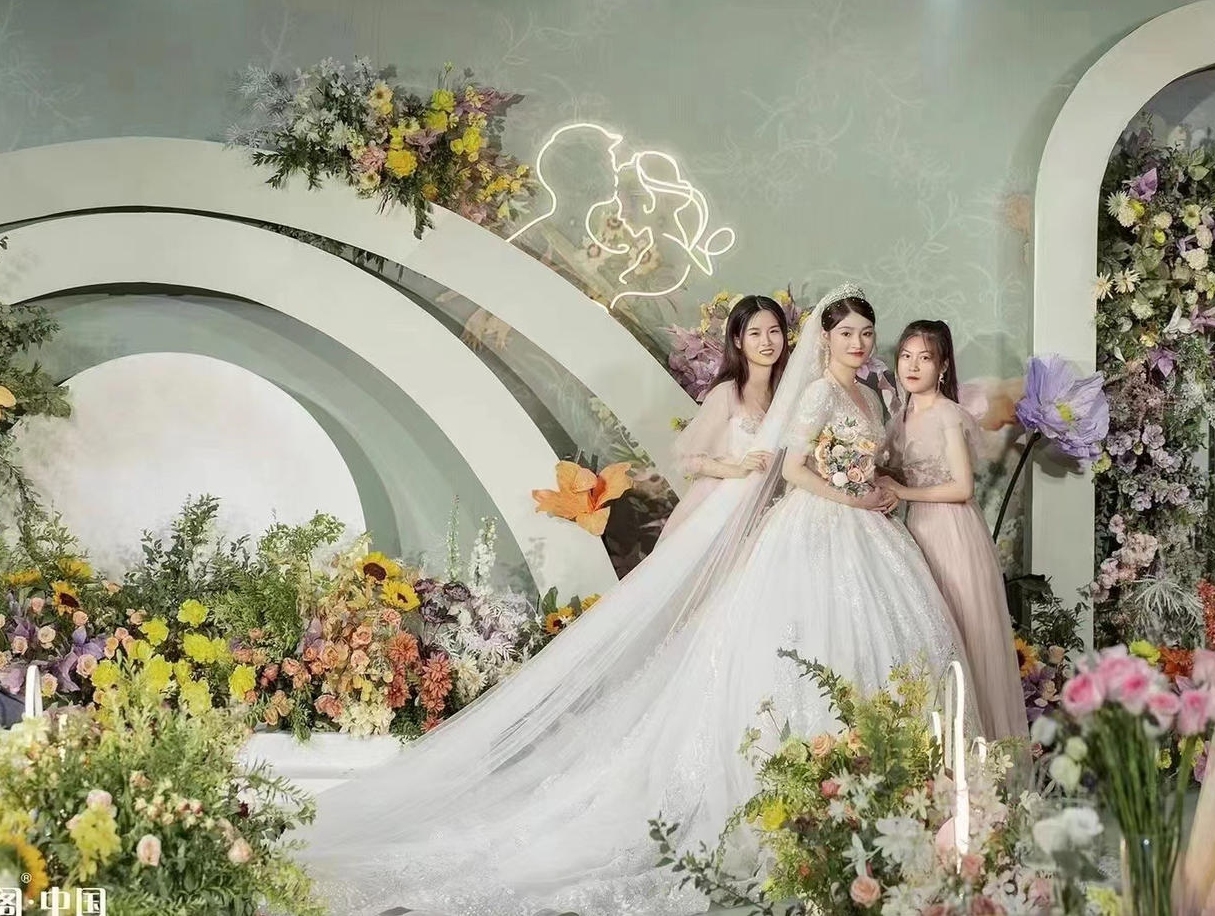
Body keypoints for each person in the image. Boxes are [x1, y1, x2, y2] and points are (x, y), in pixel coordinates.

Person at [298, 284, 975, 916]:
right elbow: (787, 467)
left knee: (865, 643)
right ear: (823, 339)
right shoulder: (809, 394)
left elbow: (855, 461)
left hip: (857, 532)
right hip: (813, 523)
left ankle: (877, 799)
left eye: (866, 334)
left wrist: (876, 485)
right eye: (847, 333)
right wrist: (841, 492)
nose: (858, 343)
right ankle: (804, 797)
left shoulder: (869, 398)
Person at [878, 320, 1028, 741]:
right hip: (918, 529)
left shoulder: (946, 413)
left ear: (943, 366)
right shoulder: (901, 415)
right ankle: (941, 749)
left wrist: (903, 491)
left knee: (965, 632)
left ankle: (982, 753)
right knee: (931, 635)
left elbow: (963, 488)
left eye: (925, 358)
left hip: (953, 532)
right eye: (906, 356)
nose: (912, 366)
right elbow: (895, 470)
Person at [660, 294, 788, 540]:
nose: (766, 341)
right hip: (720, 506)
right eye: (755, 334)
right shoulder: (727, 392)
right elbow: (689, 459)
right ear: (738, 341)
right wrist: (737, 469)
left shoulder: (784, 394)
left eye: (774, 331)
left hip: (765, 509)